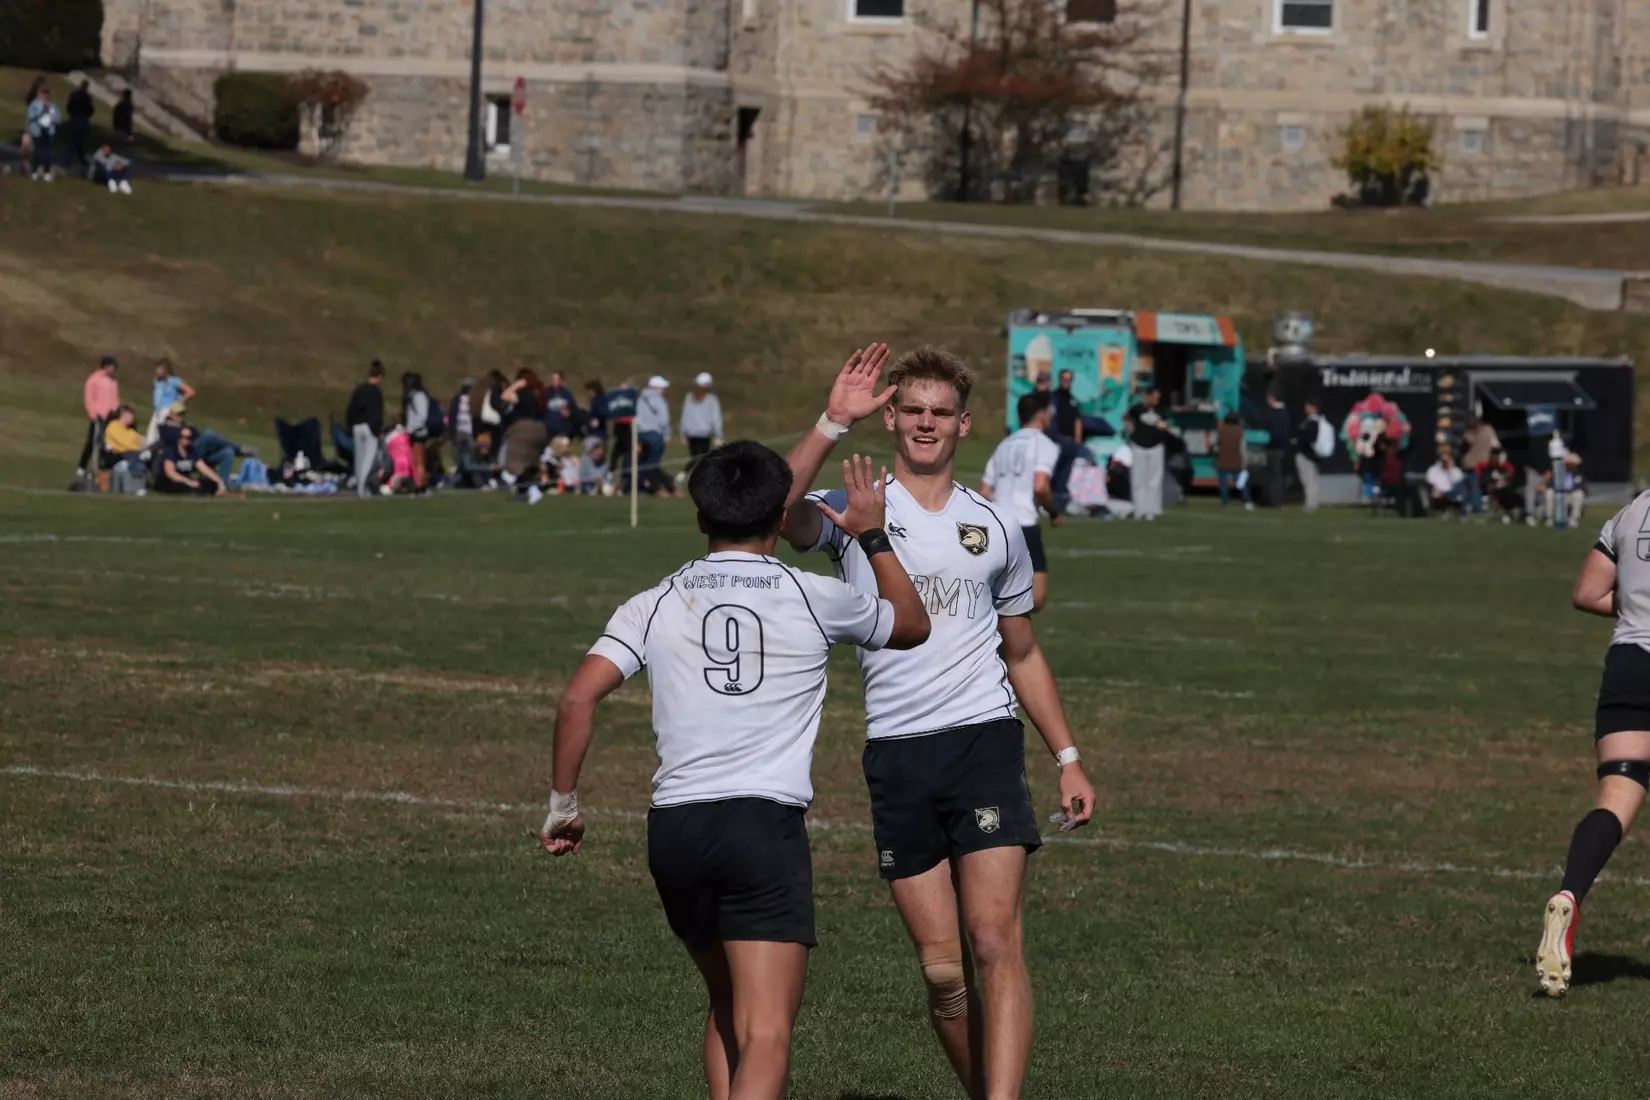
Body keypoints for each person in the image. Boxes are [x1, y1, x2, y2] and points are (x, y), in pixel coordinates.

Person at [540, 442, 930, 1100]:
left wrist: (562, 804)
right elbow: (913, 624)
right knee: (768, 1033)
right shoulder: (815, 596)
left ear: (700, 520)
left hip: (675, 834)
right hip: (761, 829)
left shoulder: (656, 600)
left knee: (726, 1008)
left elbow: (578, 698)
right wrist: (872, 535)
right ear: (782, 517)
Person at [780, 344, 1096, 1100]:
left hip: (983, 741)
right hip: (896, 753)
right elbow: (770, 512)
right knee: (944, 971)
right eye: (912, 409)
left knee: (994, 940)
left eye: (940, 412)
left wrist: (1069, 755)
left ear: (965, 424)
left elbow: (1022, 652)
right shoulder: (853, 504)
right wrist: (831, 419)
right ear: (890, 416)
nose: (926, 423)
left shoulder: (995, 525)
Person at [1536, 491, 1650, 997]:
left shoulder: (1633, 510)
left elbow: (1586, 591)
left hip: (1630, 663)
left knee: (1619, 793)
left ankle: (1569, 892)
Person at [979, 392, 1061, 613]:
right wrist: (1053, 511)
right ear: (1042, 414)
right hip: (1023, 526)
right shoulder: (1043, 443)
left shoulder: (1004, 444)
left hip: (997, 526)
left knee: (1003, 590)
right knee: (1036, 597)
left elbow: (985, 491)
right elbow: (1041, 486)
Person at [1124, 387, 1169, 520]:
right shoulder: (1137, 409)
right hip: (1139, 446)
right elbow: (1126, 417)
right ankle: (1139, 508)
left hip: (1156, 447)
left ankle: (1152, 510)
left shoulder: (1160, 410)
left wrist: (1163, 426)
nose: (1156, 400)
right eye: (1154, 396)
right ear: (1148, 396)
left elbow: (1165, 424)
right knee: (1139, 478)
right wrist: (1130, 427)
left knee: (1154, 480)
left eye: (1158, 397)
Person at [346, 361, 386, 498]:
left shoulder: (359, 389)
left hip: (357, 426)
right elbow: (377, 413)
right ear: (380, 376)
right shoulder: (376, 393)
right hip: (370, 428)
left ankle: (360, 487)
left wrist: (350, 426)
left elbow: (351, 410)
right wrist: (378, 429)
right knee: (368, 460)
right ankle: (362, 488)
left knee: (359, 459)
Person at [78, 356, 121, 481]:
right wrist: (93, 414)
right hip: (99, 415)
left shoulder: (113, 382)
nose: (113, 370)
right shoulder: (94, 380)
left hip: (111, 416)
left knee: (106, 443)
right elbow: (89, 398)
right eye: (112, 367)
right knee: (92, 441)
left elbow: (115, 398)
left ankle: (102, 468)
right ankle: (82, 467)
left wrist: (116, 412)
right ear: (106, 366)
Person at [157, 425, 225, 496]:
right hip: (169, 481)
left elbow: (204, 468)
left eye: (188, 437)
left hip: (185, 481)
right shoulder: (171, 449)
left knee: (211, 483)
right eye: (182, 436)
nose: (185, 439)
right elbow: (170, 473)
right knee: (183, 485)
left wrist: (219, 481)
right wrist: (188, 482)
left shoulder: (191, 451)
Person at [679, 371, 724, 476]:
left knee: (695, 456)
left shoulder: (689, 397)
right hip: (704, 433)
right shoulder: (712, 399)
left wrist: (683, 433)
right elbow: (716, 418)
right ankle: (685, 474)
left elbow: (685, 416)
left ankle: (685, 474)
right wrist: (718, 435)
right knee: (701, 457)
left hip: (691, 432)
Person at [637, 375, 674, 496]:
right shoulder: (659, 399)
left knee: (645, 463)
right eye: (662, 387)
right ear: (656, 387)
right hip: (655, 435)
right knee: (653, 464)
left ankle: (648, 486)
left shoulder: (640, 398)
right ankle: (663, 486)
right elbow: (664, 419)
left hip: (641, 434)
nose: (664, 390)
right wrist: (667, 433)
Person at [1293, 398, 1331, 513]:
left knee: (1309, 480)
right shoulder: (1315, 422)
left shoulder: (1312, 423)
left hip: (1307, 456)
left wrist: (1299, 443)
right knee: (1311, 479)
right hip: (1311, 456)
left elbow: (1309, 440)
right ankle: (1312, 502)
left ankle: (1311, 504)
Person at [103, 405, 150, 494]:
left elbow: (141, 441)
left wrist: (147, 446)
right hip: (118, 454)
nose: (133, 418)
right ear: (123, 415)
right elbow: (122, 443)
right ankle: (140, 483)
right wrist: (139, 450)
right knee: (138, 456)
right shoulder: (113, 426)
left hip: (132, 454)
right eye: (131, 415)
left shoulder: (131, 431)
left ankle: (143, 480)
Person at [148, 359, 195, 445]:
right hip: (157, 411)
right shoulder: (157, 381)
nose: (157, 371)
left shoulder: (174, 381)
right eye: (157, 369)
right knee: (151, 436)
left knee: (161, 436)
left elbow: (190, 391)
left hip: (168, 410)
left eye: (160, 369)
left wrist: (180, 401)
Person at [1462, 414, 1500, 516]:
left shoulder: (1468, 434)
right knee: (1477, 486)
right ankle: (1470, 509)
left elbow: (1465, 446)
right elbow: (1495, 444)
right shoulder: (1488, 430)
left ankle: (1475, 509)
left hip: (1470, 463)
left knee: (1473, 487)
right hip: (1483, 462)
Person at [606, 379, 640, 491]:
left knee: (627, 456)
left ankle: (625, 481)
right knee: (615, 455)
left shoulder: (631, 399)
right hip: (620, 431)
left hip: (629, 430)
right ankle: (610, 474)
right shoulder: (617, 400)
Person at [1215, 410, 1252, 509]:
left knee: (1223, 483)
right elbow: (1242, 449)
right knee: (1241, 483)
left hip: (1223, 459)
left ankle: (1225, 501)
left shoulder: (1221, 430)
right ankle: (1247, 501)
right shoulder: (1240, 432)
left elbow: (1216, 445)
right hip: (1237, 460)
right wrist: (1245, 461)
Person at [401, 372, 431, 492]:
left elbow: (422, 416)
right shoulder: (412, 396)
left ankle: (421, 484)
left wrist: (411, 428)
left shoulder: (419, 396)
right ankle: (418, 482)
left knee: (419, 460)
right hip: (414, 431)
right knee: (415, 460)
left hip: (419, 432)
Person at [1263, 392, 1291, 507]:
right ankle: (1276, 500)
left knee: (1274, 475)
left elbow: (1273, 432)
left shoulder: (1275, 414)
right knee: (1278, 475)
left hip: (1274, 447)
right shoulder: (1285, 413)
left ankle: (1274, 501)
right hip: (1282, 447)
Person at [26, 85, 59, 182]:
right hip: (38, 131)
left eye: (46, 95)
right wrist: (42, 110)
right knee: (38, 151)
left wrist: (54, 119)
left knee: (48, 152)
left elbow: (58, 118)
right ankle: (34, 171)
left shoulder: (53, 105)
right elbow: (31, 117)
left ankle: (47, 172)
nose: (44, 97)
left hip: (49, 131)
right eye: (43, 94)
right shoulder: (34, 105)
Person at [1424, 450, 1468, 517]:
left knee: (1461, 487)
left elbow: (1458, 482)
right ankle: (1461, 513)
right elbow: (1430, 483)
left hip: (1453, 491)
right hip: (1440, 492)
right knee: (1459, 492)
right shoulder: (1433, 470)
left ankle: (1462, 514)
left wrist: (1450, 471)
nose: (1447, 463)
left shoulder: (1455, 471)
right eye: (1445, 461)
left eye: (1449, 461)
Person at [543, 370, 581, 440]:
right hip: (549, 426)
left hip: (563, 426)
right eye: (553, 379)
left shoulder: (566, 394)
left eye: (557, 379)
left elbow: (574, 409)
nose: (555, 381)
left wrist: (569, 413)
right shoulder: (546, 393)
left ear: (561, 380)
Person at [66, 80, 94, 169]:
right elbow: (90, 109)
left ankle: (69, 160)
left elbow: (69, 107)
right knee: (82, 142)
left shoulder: (73, 95)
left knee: (72, 141)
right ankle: (82, 160)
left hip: (74, 119)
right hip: (83, 120)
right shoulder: (87, 97)